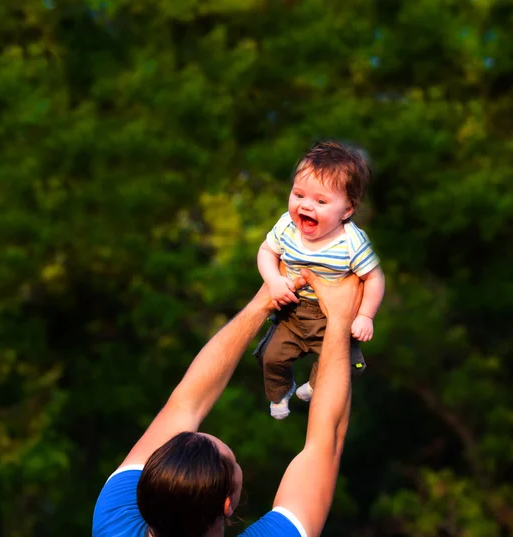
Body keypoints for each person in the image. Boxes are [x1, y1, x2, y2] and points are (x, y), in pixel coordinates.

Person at [93, 268, 363, 537]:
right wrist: (339, 320)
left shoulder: (116, 521)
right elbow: (327, 444)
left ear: (143, 494)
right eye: (233, 463)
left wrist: (264, 302)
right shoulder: (111, 513)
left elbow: (186, 403)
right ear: (227, 503)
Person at [254, 140, 385, 419]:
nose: (306, 206)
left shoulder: (351, 242)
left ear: (347, 211)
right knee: (271, 358)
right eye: (299, 195)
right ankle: (280, 393)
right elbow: (266, 251)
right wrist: (274, 280)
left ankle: (315, 385)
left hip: (331, 316)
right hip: (291, 311)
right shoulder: (286, 227)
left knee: (344, 364)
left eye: (321, 201)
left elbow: (374, 278)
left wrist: (365, 316)